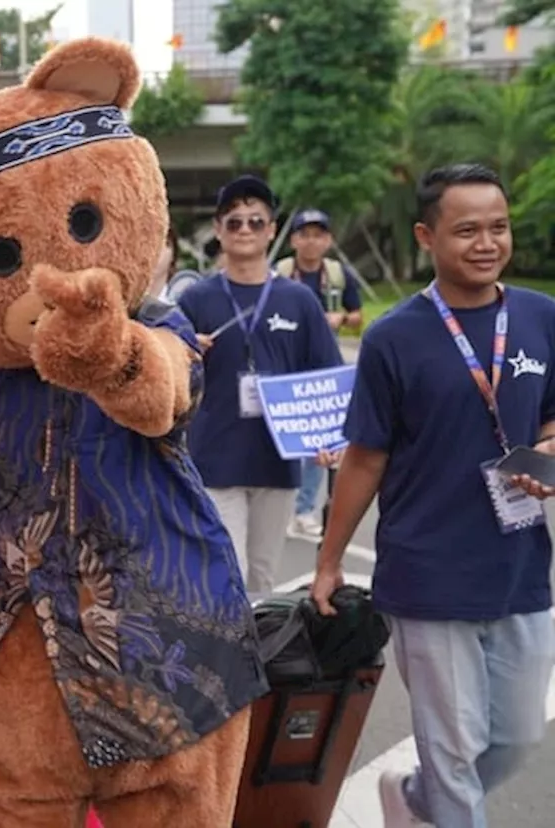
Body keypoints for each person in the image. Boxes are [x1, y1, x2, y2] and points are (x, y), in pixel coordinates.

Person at [310, 164, 555, 828]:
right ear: (427, 236)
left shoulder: (540, 317)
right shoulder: (395, 337)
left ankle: (412, 801)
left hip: (521, 568)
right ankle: (437, 802)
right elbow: (365, 459)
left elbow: (551, 419)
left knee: (515, 739)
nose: (486, 242)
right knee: (452, 756)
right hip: (427, 572)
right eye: (467, 229)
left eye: (498, 227)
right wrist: (330, 561)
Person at [177, 175, 342, 593]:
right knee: (226, 571)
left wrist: (330, 438)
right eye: (234, 223)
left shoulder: (299, 300)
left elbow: (326, 376)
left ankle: (263, 658)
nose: (245, 230)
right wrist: (184, 348)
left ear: (272, 230)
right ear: (218, 230)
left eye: (256, 222)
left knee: (263, 578)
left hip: (277, 459)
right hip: (215, 457)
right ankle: (229, 657)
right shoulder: (196, 300)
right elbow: (166, 371)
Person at [276, 208, 365, 537]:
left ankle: (303, 510)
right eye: (305, 234)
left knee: (319, 442)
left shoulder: (339, 275)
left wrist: (339, 319)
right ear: (293, 240)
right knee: (284, 438)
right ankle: (284, 504)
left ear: (328, 240)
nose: (311, 241)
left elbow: (357, 317)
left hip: (325, 368)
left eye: (318, 234)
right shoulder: (281, 273)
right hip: (287, 364)